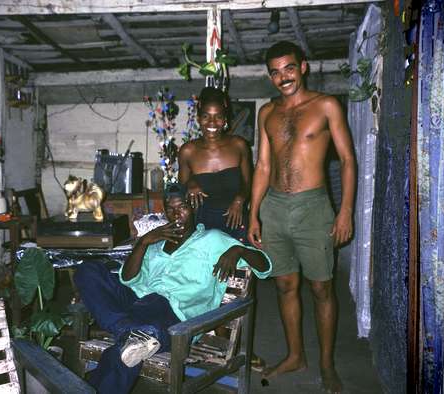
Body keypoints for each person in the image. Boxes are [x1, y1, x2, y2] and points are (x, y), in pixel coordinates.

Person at [74, 183, 272, 394]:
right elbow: (127, 279)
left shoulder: (212, 239)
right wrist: (143, 243)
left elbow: (265, 266)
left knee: (124, 352)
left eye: (183, 207)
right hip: (137, 303)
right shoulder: (156, 244)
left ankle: (134, 335)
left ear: (193, 208)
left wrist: (238, 250)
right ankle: (134, 334)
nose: (176, 213)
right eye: (170, 208)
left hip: (174, 314)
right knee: (87, 270)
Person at [247, 41, 356, 394]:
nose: (283, 77)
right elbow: (262, 165)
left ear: (303, 67)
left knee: (322, 287)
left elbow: (348, 160)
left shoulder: (326, 106)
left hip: (313, 207)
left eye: (289, 68)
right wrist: (254, 215)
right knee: (284, 285)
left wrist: (345, 212)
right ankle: (296, 355)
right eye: (276, 72)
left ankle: (326, 364)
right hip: (274, 207)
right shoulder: (267, 113)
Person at [178, 87, 252, 243]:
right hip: (203, 224)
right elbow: (181, 187)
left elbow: (248, 182)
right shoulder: (188, 151)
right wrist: (190, 182)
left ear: (225, 120)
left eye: (218, 117)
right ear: (198, 119)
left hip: (236, 220)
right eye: (206, 116)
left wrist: (239, 200)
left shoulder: (239, 145)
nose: (212, 123)